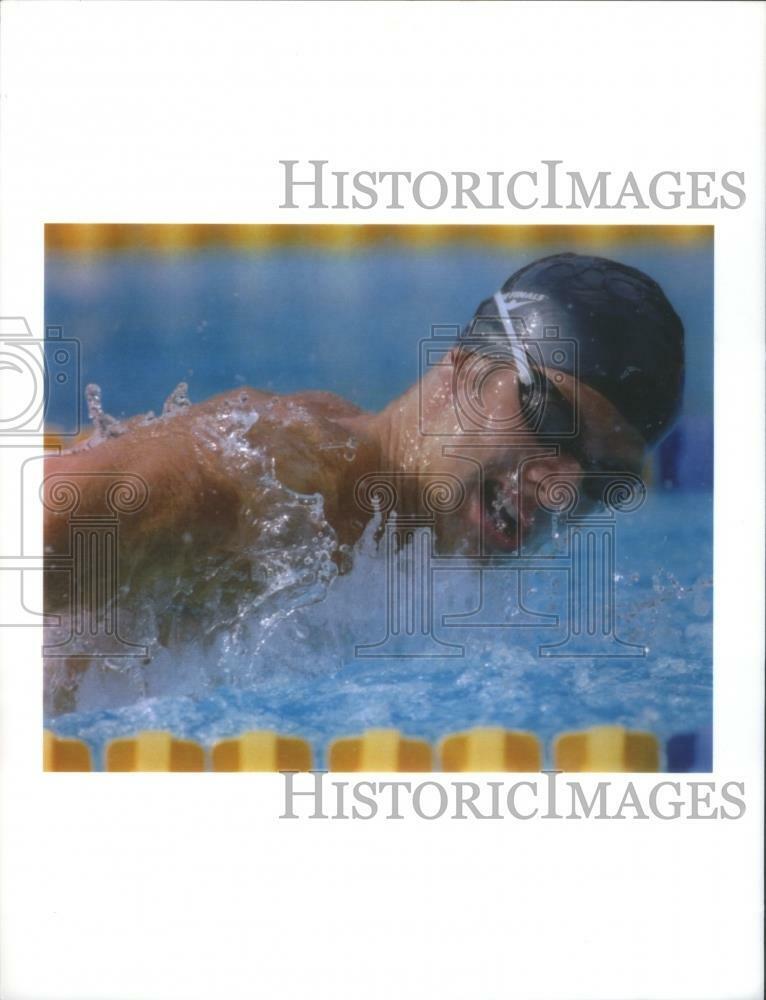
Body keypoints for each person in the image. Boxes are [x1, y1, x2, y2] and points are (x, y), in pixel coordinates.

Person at [43, 252, 684, 621]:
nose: (562, 489)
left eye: (604, 479)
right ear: (463, 367)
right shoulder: (280, 484)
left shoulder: (405, 562)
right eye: (551, 422)